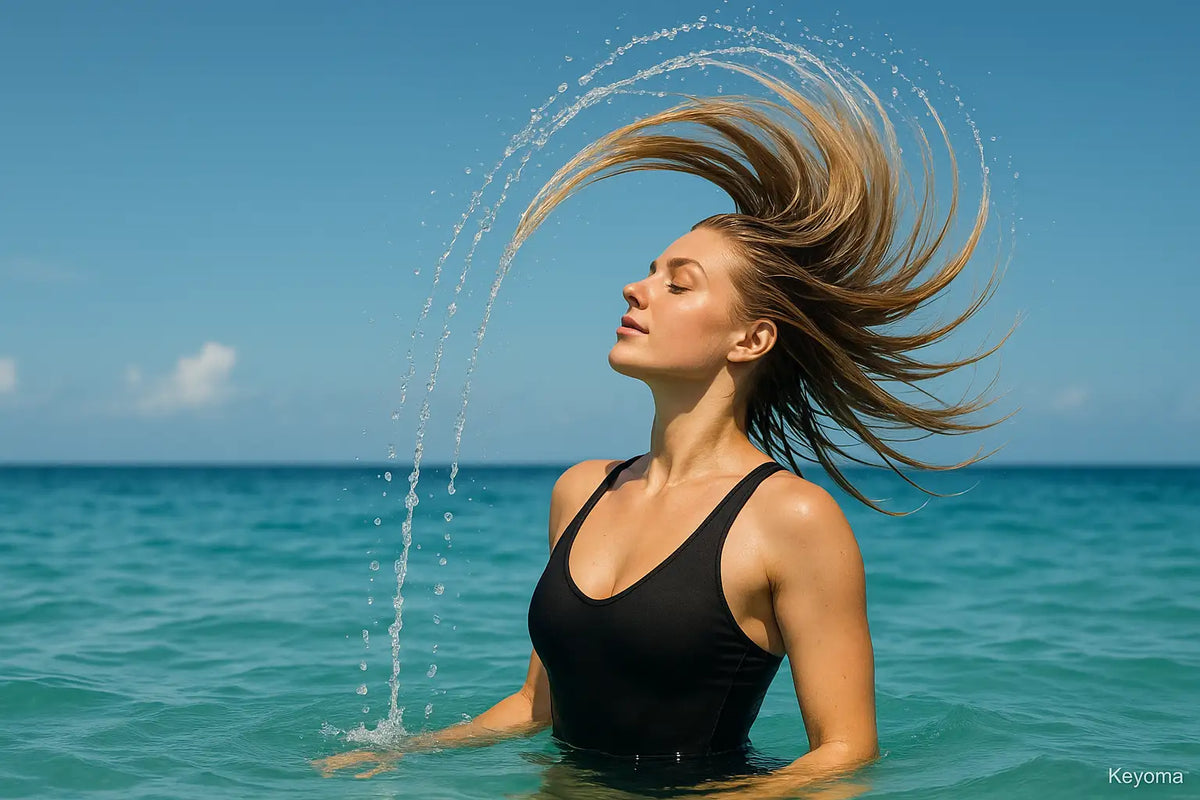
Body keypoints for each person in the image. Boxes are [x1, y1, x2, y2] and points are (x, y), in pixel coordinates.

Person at [315, 58, 1016, 794]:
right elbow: (534, 706)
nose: (637, 287)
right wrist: (401, 754)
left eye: (679, 283)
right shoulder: (582, 491)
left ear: (751, 340)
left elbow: (843, 755)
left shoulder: (792, 519)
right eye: (651, 270)